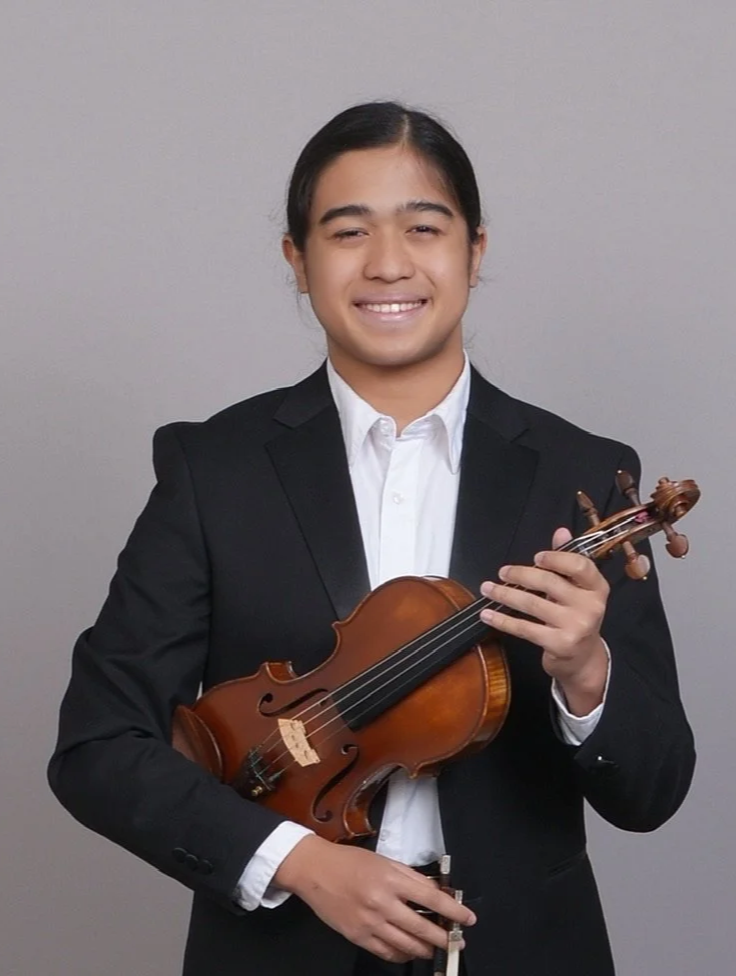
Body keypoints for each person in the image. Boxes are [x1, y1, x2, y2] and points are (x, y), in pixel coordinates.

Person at [49, 101, 695, 976]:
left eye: (425, 228)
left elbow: (652, 791)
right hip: (281, 949)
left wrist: (586, 674)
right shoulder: (215, 469)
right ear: (298, 261)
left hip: (523, 949)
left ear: (475, 249)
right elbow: (98, 744)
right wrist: (298, 863)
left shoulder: (582, 473)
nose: (389, 264)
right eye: (347, 232)